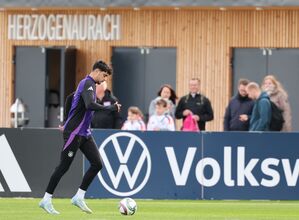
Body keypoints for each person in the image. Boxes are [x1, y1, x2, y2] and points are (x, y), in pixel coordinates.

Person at [39, 60, 121, 215]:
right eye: (103, 75)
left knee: (97, 164)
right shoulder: (87, 83)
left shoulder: (88, 85)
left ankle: (79, 197)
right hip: (74, 132)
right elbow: (90, 105)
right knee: (64, 166)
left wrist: (65, 120)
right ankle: (46, 199)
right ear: (96, 71)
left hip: (84, 133)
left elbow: (70, 98)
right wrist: (110, 107)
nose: (104, 79)